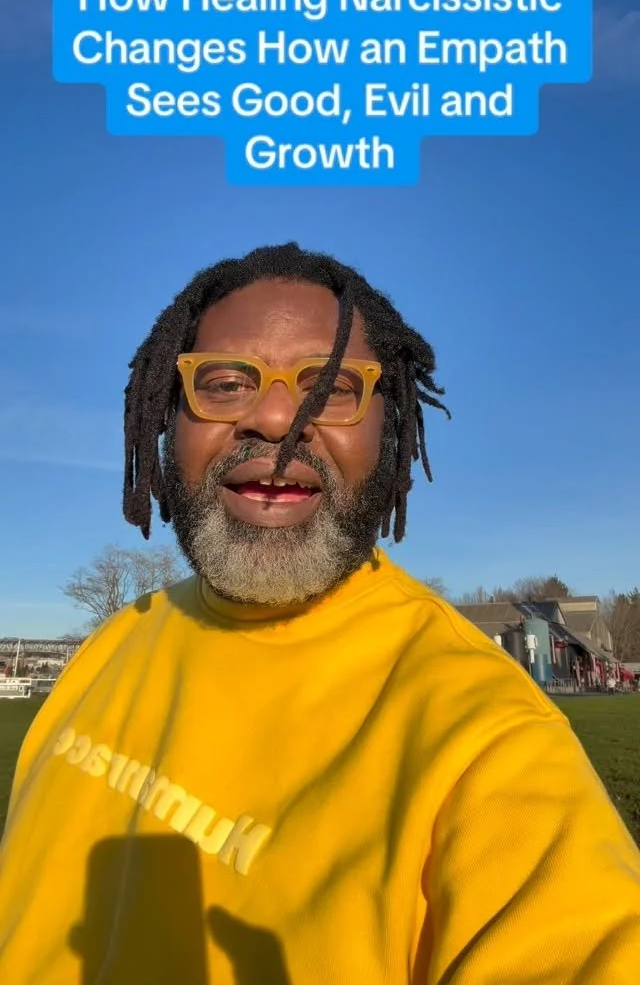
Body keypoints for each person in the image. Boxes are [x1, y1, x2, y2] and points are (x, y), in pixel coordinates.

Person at [1, 242, 639, 984]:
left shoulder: (487, 739)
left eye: (331, 387)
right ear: (167, 417)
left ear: (390, 430)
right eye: (225, 383)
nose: (277, 417)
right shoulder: (113, 643)